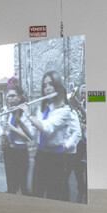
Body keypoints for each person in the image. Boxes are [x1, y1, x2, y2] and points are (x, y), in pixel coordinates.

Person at [28, 70, 80, 201]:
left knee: (54, 196)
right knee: (36, 193)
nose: (47, 88)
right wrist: (19, 120)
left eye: (51, 84)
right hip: (41, 156)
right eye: (44, 86)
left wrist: (28, 116)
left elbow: (47, 128)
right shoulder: (42, 110)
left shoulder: (64, 110)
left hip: (55, 158)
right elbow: (31, 134)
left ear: (57, 86)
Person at [1, 78, 35, 195]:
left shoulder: (25, 112)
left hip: (20, 152)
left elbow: (30, 137)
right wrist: (4, 134)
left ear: (19, 97)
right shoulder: (6, 111)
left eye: (12, 96)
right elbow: (4, 127)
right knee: (11, 184)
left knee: (22, 184)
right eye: (8, 96)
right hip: (8, 150)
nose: (9, 98)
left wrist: (15, 127)